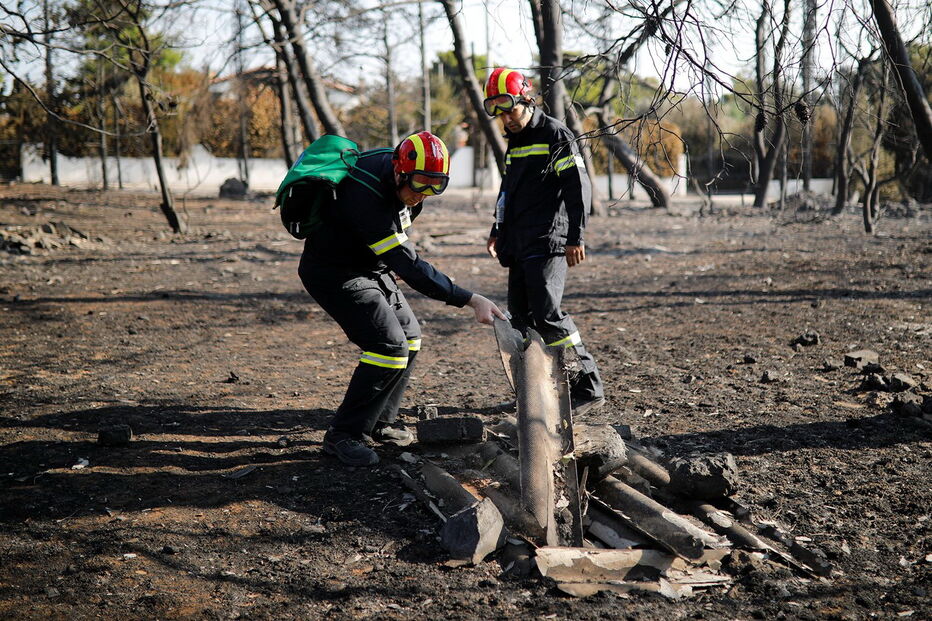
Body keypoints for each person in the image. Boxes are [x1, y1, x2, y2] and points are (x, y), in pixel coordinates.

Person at [299, 131, 506, 467]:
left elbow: (400, 243)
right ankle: (343, 436)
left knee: (410, 338)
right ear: (399, 171)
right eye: (419, 183)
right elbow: (409, 266)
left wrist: (392, 258)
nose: (423, 193)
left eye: (435, 185)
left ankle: (382, 423)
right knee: (388, 347)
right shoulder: (365, 196)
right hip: (335, 272)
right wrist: (469, 299)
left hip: (370, 265)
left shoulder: (399, 178)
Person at [483, 67, 605, 415]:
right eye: (498, 111)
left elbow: (577, 187)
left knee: (548, 315)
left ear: (527, 99)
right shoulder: (514, 141)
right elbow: (508, 190)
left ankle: (589, 385)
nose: (506, 118)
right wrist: (497, 228)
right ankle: (534, 393)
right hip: (519, 242)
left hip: (549, 240)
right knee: (520, 319)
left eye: (511, 109)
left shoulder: (555, 134)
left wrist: (575, 236)